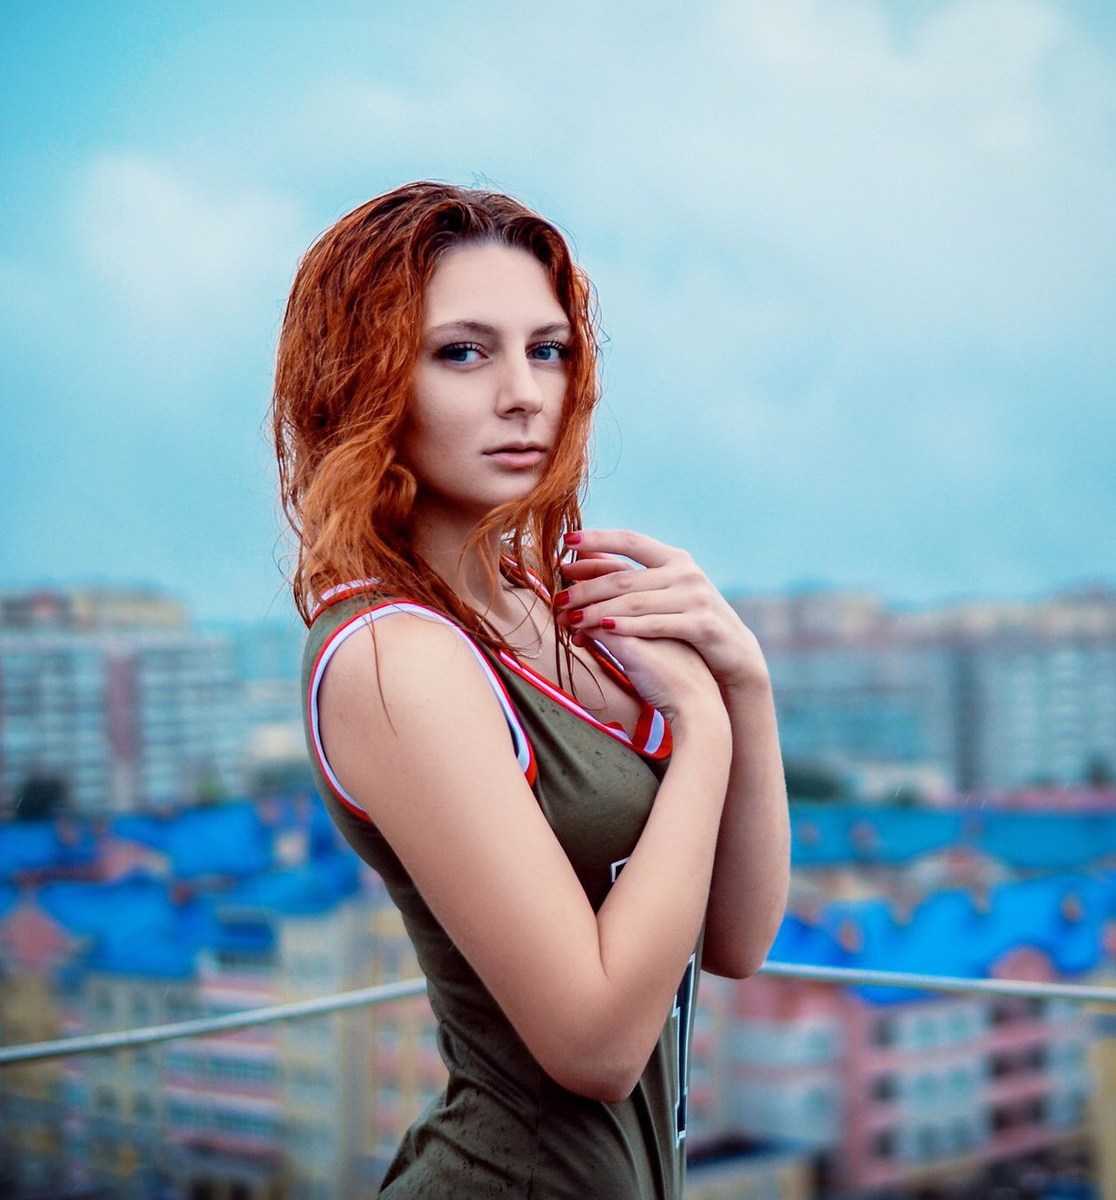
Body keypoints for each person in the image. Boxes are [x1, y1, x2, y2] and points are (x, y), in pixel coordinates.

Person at [273, 181, 791, 1198]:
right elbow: (594, 1044)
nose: (524, 393)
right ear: (363, 379)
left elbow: (736, 938)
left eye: (547, 349)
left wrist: (744, 685)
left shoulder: (544, 603)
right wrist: (702, 736)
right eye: (462, 352)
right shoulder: (394, 658)